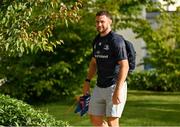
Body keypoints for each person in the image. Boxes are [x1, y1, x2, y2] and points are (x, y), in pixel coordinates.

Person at [82, 10, 129, 127]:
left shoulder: (116, 41)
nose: (99, 25)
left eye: (102, 21)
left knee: (112, 122)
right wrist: (87, 81)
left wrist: (118, 90)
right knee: (95, 120)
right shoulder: (96, 40)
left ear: (110, 22)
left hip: (114, 85)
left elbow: (125, 65)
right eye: (97, 22)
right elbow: (94, 62)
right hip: (99, 86)